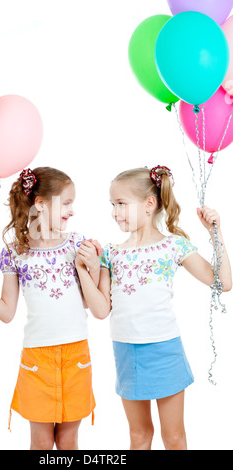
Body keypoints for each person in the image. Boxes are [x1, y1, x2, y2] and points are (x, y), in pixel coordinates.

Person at [75, 165, 232, 451]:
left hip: (165, 350)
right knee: (139, 437)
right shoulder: (111, 253)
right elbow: (100, 310)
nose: (114, 212)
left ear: (149, 204)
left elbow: (222, 282)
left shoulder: (174, 245)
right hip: (127, 351)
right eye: (112, 204)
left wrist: (215, 232)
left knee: (173, 438)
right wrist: (89, 269)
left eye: (121, 204)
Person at [0, 166, 99, 451]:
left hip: (75, 355)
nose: (72, 210)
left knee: (68, 441)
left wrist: (92, 266)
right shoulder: (15, 252)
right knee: (42, 443)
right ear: (41, 205)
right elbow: (7, 312)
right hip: (37, 359)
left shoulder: (78, 245)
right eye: (66, 203)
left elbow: (88, 303)